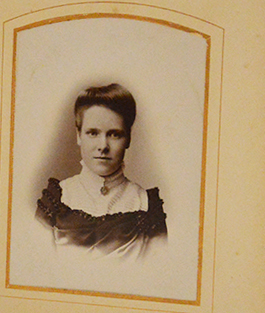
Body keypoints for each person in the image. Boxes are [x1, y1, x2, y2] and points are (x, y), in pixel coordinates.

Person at [36, 84, 167, 257]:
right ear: (78, 136)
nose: (103, 146)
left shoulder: (145, 204)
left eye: (114, 134)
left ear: (128, 138)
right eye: (93, 133)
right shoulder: (57, 199)